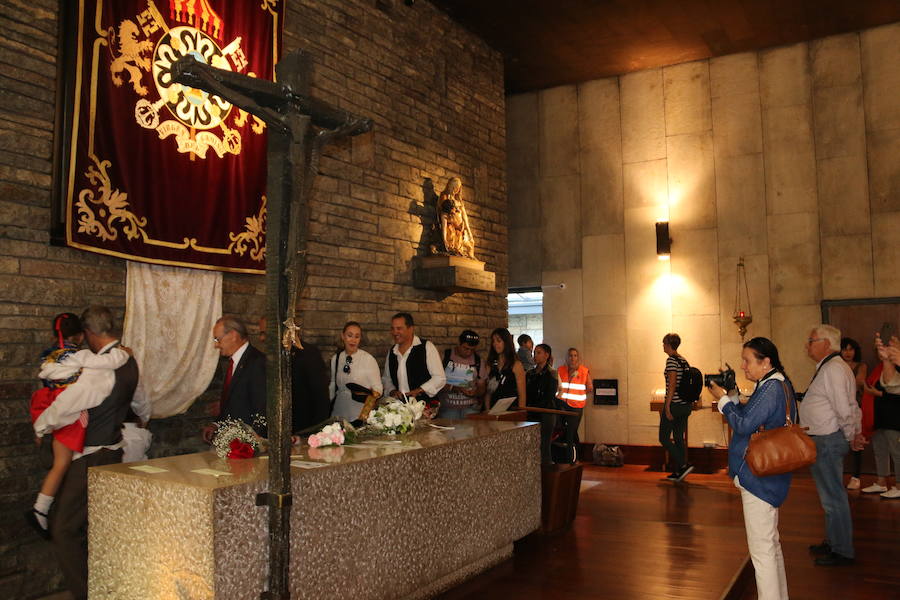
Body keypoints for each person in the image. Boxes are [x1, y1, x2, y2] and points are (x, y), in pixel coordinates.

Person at [33, 306, 139, 600]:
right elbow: (142, 402)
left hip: (92, 457)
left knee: (64, 530)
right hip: (114, 451)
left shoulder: (99, 369)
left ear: (90, 333)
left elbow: (67, 406)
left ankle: (86, 594)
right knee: (97, 529)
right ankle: (106, 588)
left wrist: (41, 426)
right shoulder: (130, 360)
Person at [26, 313, 130, 538]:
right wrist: (122, 353)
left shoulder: (51, 356)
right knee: (63, 464)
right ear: (82, 335)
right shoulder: (80, 355)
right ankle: (40, 509)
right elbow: (107, 362)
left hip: (46, 402)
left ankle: (42, 508)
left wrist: (41, 425)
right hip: (65, 414)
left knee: (59, 463)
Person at [709, 337, 794, 600]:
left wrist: (723, 401)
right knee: (771, 546)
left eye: (747, 360)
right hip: (769, 476)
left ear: (765, 361)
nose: (744, 366)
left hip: (760, 478)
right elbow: (753, 413)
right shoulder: (775, 384)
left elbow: (744, 424)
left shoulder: (771, 388)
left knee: (762, 552)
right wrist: (733, 393)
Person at [801, 324, 865, 566]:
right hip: (826, 439)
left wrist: (851, 436)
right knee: (829, 496)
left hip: (828, 440)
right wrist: (853, 433)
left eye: (811, 339)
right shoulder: (832, 367)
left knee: (833, 498)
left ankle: (842, 550)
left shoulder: (834, 370)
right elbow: (850, 406)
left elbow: (844, 409)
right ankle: (833, 540)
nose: (807, 344)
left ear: (826, 344)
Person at [258, 316, 330, 432]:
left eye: (264, 333)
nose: (261, 338)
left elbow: (321, 399)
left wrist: (314, 433)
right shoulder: (269, 358)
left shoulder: (308, 354)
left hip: (302, 430)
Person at [204, 316, 266, 442]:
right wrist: (217, 424)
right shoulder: (234, 362)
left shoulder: (257, 362)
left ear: (233, 335)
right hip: (234, 441)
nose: (216, 345)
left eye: (218, 339)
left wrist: (253, 443)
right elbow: (233, 404)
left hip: (248, 444)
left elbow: (262, 409)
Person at [863, 332, 900, 498]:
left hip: (895, 418)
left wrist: (879, 394)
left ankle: (899, 485)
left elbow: (893, 393)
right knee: (880, 450)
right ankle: (881, 482)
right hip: (879, 417)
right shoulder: (881, 368)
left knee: (897, 453)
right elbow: (891, 386)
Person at [382, 312, 445, 403]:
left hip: (425, 406)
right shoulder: (392, 351)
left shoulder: (427, 347)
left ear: (411, 329)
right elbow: (386, 379)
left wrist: (420, 390)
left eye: (399, 328)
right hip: (400, 408)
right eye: (392, 328)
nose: (394, 332)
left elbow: (439, 378)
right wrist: (392, 391)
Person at [330, 321, 382, 422]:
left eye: (357, 336)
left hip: (359, 413)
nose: (353, 340)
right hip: (338, 412)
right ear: (343, 336)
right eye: (349, 335)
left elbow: (378, 389)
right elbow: (332, 385)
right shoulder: (336, 359)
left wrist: (365, 414)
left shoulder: (368, 359)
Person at [659, 333, 693, 481]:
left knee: (664, 438)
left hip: (675, 405)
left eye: (663, 343)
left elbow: (672, 384)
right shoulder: (683, 361)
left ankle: (684, 464)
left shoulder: (671, 361)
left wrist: (667, 407)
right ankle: (680, 471)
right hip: (685, 405)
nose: (662, 345)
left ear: (668, 344)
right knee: (679, 437)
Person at [437, 330, 485, 419]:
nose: (469, 352)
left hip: (471, 408)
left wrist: (475, 392)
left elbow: (482, 387)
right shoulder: (445, 356)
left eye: (472, 350)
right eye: (465, 348)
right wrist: (454, 388)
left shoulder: (478, 361)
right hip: (448, 408)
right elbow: (435, 382)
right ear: (459, 343)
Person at [840, 337, 867, 490]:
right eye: (845, 349)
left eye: (851, 349)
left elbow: (859, 382)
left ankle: (856, 476)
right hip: (838, 408)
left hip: (857, 406)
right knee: (839, 441)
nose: (848, 352)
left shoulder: (861, 365)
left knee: (856, 440)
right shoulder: (835, 365)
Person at [526, 343, 558, 464]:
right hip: (531, 411)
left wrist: (538, 406)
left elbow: (550, 394)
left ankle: (546, 468)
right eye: (535, 353)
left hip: (546, 412)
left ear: (546, 355)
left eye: (539, 353)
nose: (535, 355)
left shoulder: (552, 373)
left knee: (544, 443)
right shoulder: (530, 373)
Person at [483, 327, 527, 412]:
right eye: (493, 341)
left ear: (506, 342)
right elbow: (488, 392)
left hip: (511, 409)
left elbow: (522, 393)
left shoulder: (516, 365)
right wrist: (487, 409)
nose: (495, 344)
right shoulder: (490, 364)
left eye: (498, 341)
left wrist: (521, 413)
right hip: (493, 409)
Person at [556, 347, 591, 451]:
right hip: (562, 405)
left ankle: (572, 455)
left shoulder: (583, 371)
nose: (572, 358)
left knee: (571, 431)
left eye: (575, 355)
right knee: (564, 431)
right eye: (570, 355)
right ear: (567, 358)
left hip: (576, 406)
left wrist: (580, 394)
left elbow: (590, 387)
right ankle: (572, 455)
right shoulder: (560, 370)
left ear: (578, 358)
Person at [435, 176, 475, 258]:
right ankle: (453, 248)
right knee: (452, 233)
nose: (457, 189)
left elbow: (464, 215)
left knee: (470, 242)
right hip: (451, 224)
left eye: (458, 187)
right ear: (451, 186)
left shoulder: (459, 200)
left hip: (461, 226)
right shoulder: (445, 197)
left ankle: (470, 255)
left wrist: (467, 228)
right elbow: (444, 216)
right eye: (455, 187)